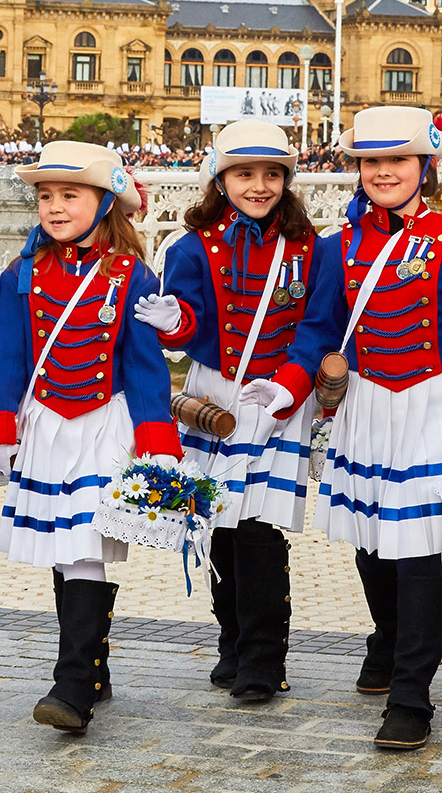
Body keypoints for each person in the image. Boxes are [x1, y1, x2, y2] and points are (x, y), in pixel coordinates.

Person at [242, 106, 442, 752]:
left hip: (429, 404)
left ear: (423, 167)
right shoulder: (338, 246)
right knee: (370, 543)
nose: (383, 172)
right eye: (371, 162)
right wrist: (289, 388)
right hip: (365, 407)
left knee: (419, 550)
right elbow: (319, 332)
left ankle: (412, 693)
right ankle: (389, 634)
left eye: (397, 161)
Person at [0, 140, 182, 736]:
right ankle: (93, 665)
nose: (56, 207)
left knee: (86, 546)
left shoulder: (132, 274)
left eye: (70, 195)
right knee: (63, 546)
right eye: (46, 196)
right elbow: (9, 357)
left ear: (105, 201)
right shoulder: (23, 273)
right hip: (45, 421)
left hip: (105, 423)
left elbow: (145, 368)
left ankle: (73, 686)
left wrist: (157, 444)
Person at [158, 121, 316, 704]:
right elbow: (187, 328)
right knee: (217, 526)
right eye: (245, 174)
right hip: (215, 398)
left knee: (259, 530)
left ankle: (264, 657)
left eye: (271, 174)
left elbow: (317, 323)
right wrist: (175, 323)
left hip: (276, 399)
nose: (259, 185)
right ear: (220, 180)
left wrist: (292, 384)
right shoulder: (191, 246)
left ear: (286, 181)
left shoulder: (306, 245)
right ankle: (231, 640)